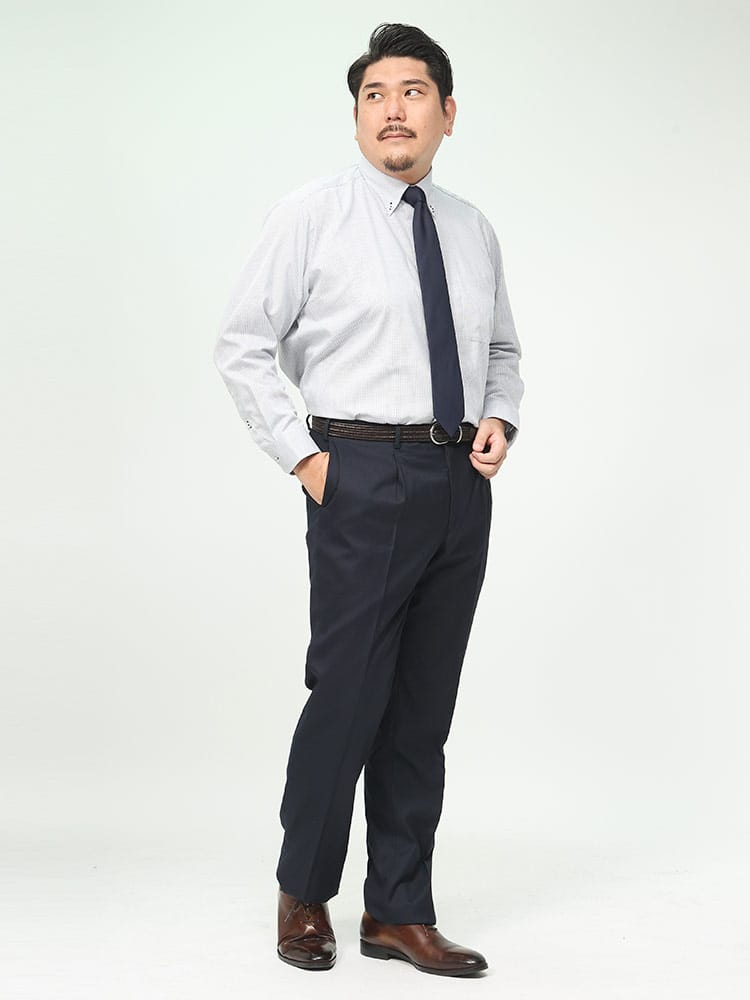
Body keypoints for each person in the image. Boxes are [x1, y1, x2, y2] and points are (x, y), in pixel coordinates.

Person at [213, 22, 524, 977]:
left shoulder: (471, 228)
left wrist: (499, 418)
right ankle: (304, 894)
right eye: (375, 95)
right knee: (347, 698)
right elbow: (242, 343)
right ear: (356, 118)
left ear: (447, 113)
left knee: (423, 711)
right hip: (359, 472)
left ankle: (398, 910)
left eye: (413, 92)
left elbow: (501, 349)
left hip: (456, 485)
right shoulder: (313, 214)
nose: (394, 110)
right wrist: (308, 461)